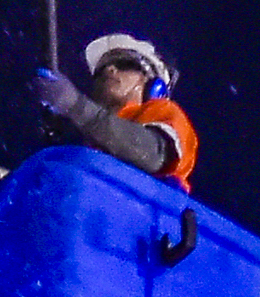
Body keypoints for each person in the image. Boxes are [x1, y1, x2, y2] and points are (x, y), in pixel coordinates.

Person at [33, 31, 199, 189]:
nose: (109, 70)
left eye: (124, 64)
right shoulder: (90, 143)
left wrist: (76, 106)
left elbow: (153, 154)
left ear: (154, 86)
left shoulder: (165, 112)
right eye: (100, 70)